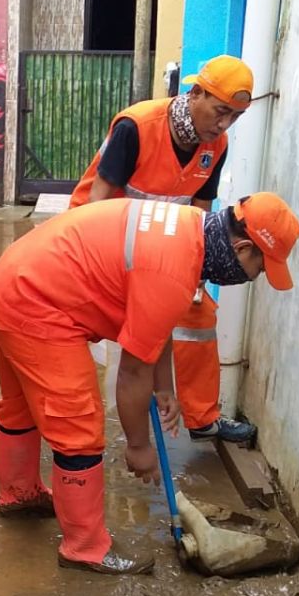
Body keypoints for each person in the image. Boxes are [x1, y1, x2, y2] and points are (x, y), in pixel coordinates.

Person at [0, 193, 299, 574]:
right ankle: (84, 548)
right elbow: (133, 371)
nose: (255, 278)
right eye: (260, 268)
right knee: (78, 424)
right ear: (243, 247)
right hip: (37, 305)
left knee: (21, 406)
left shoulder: (189, 231)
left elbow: (157, 322)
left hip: (12, 283)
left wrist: (164, 386)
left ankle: (20, 496)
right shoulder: (174, 268)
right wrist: (138, 446)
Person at [70, 54, 259, 445]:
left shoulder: (215, 146)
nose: (224, 125)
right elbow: (97, 202)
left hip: (160, 248)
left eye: (235, 117)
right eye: (220, 111)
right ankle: (26, 421)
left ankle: (201, 417)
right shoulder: (137, 127)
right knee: (72, 334)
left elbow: (201, 214)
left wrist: (194, 277)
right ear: (196, 93)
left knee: (197, 313)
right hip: (102, 239)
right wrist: (112, 275)